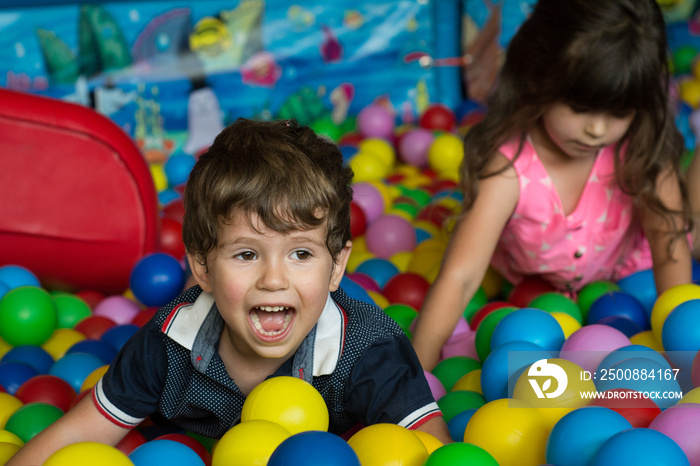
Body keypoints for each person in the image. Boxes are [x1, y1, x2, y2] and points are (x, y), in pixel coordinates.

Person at [9, 119, 451, 465]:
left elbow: (431, 450)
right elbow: (73, 437)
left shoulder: (370, 350)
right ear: (201, 266)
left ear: (337, 266)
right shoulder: (168, 342)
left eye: (300, 253)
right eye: (246, 255)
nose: (273, 279)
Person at [411, 0, 696, 371]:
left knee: (691, 228)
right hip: (535, 285)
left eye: (619, 112)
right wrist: (414, 377)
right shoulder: (510, 168)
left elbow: (670, 249)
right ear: (538, 79)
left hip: (629, 268)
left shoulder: (641, 147)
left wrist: (682, 356)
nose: (596, 130)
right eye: (580, 108)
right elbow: (461, 277)